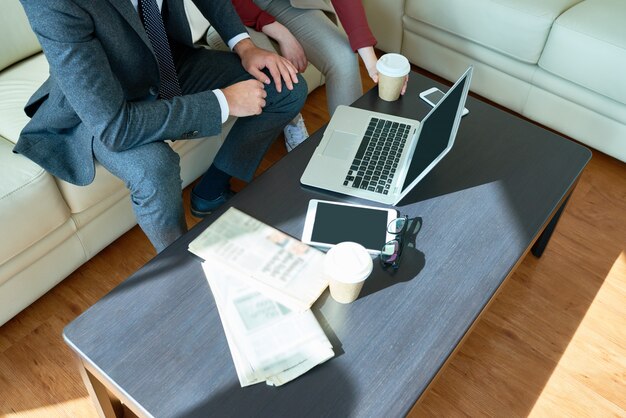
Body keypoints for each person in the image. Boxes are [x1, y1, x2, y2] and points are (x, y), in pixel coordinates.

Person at [16, 0, 308, 253]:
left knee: (285, 89)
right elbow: (115, 127)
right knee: (155, 169)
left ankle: (210, 192)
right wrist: (222, 102)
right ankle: (178, 263)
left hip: (165, 61)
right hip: (101, 102)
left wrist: (244, 46)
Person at [230, 0, 408, 150]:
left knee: (343, 58)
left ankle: (347, 147)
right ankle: (291, 121)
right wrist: (283, 35)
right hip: (234, 11)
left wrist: (372, 62)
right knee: (276, 74)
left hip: (284, 2)